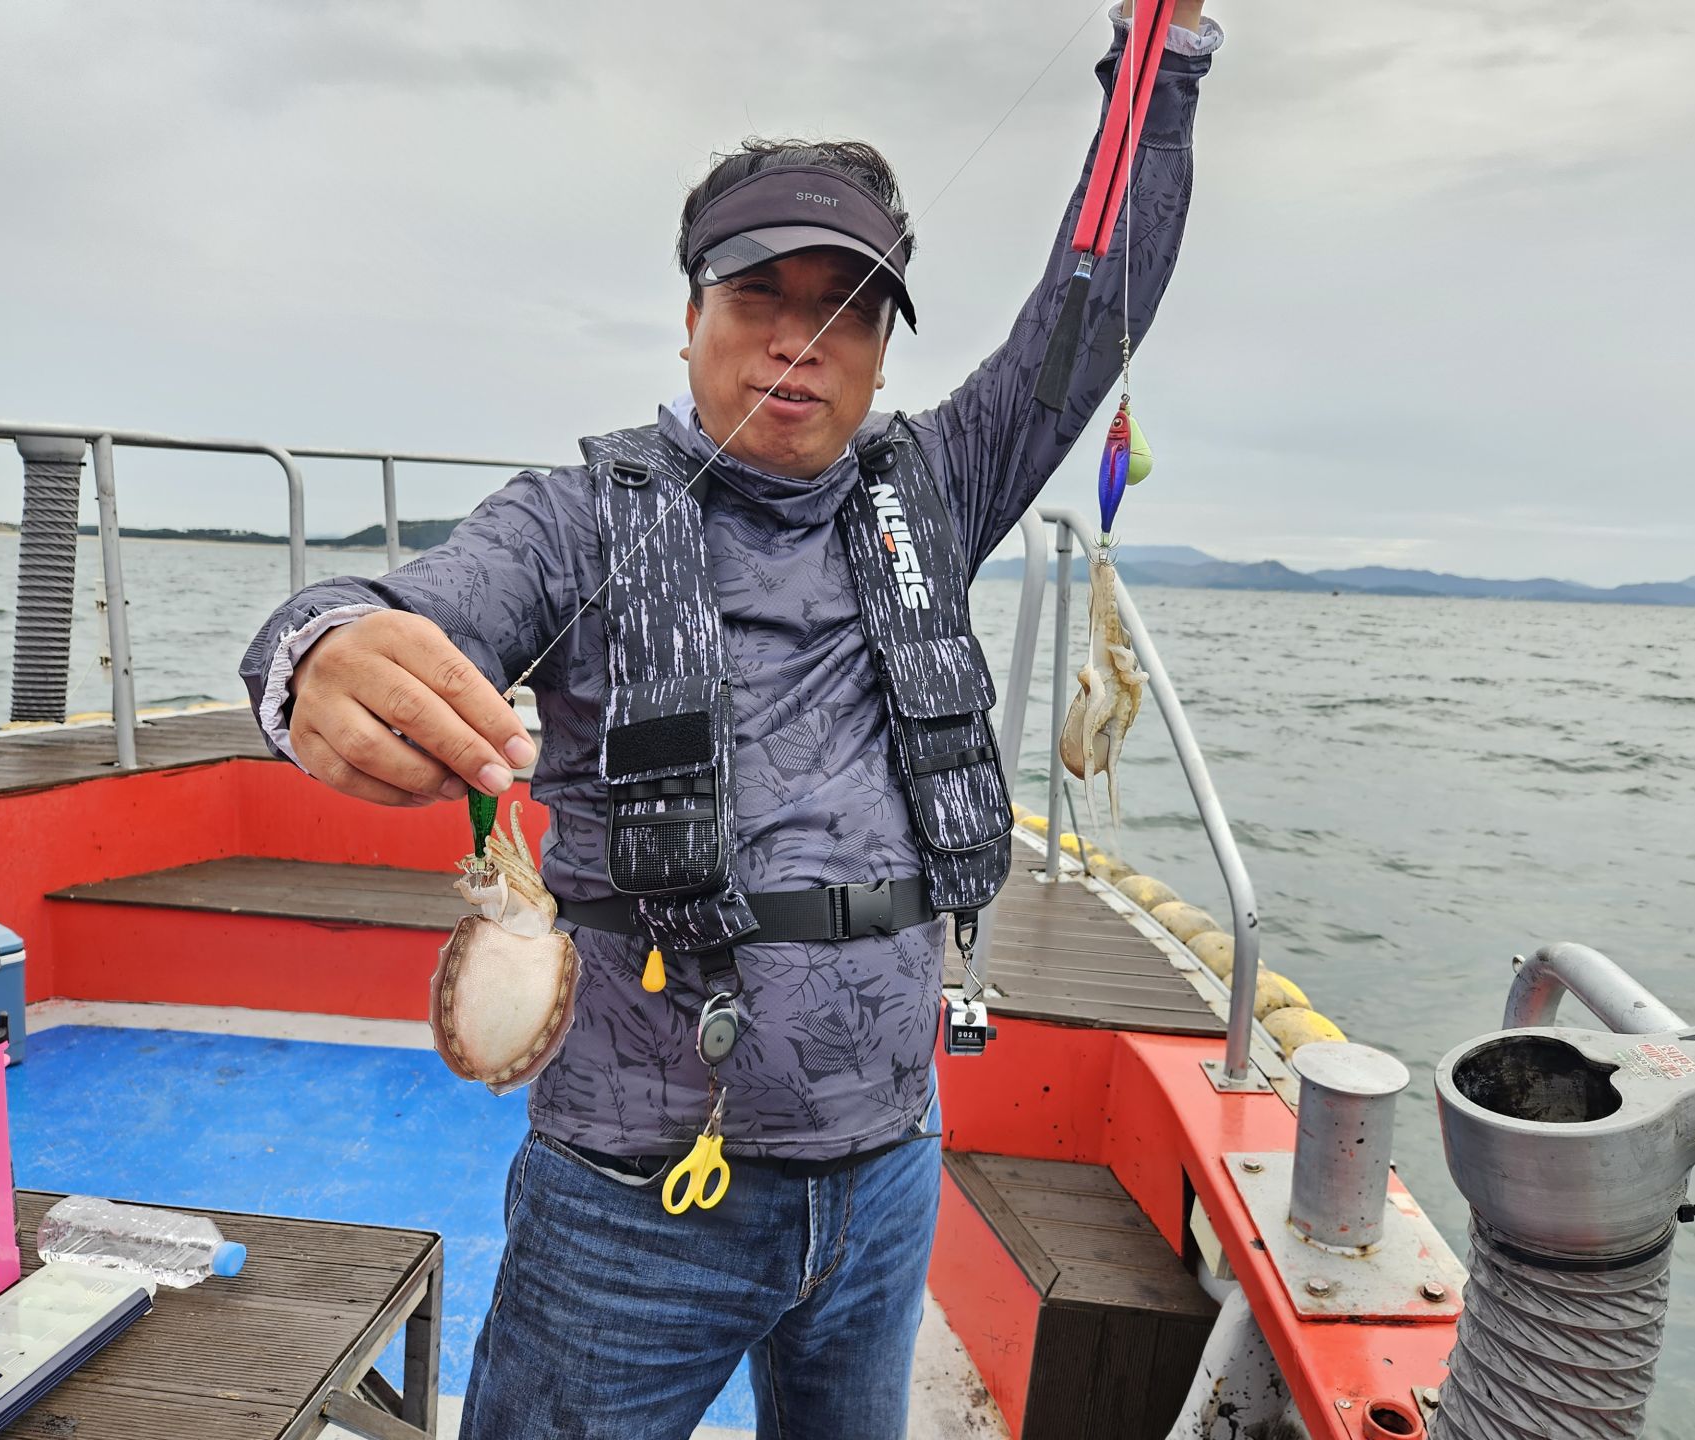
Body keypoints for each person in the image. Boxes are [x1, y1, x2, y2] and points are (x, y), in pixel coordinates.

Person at [240, 5, 1219, 1436]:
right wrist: (320, 652)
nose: (798, 340)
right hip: (633, 1193)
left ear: (880, 350)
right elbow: (405, 605)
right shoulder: (574, 522)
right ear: (690, 313)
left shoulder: (935, 495)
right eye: (759, 292)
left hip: (890, 1167)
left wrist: (1164, 64)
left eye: (848, 307)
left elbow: (1088, 316)